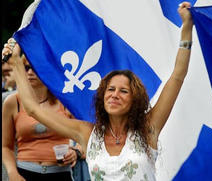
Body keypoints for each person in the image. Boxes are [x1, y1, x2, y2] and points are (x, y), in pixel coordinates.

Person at [3, 2, 193, 180]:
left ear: (135, 100)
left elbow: (177, 77)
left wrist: (186, 30)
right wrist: (17, 64)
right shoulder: (87, 134)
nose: (115, 94)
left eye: (124, 91)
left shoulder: (148, 129)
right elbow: (33, 109)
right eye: (110, 89)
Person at [1, 53, 81, 180]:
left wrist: (76, 152)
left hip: (60, 172)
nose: (30, 72)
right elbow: (5, 146)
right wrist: (12, 173)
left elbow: (87, 136)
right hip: (25, 171)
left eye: (35, 67)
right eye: (26, 68)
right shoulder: (12, 102)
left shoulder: (65, 101)